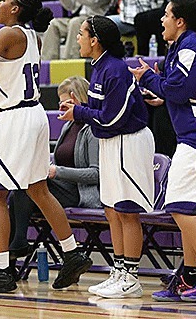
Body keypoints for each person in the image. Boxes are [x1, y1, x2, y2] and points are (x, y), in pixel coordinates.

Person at [0, 0, 92, 293]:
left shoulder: (6, 34)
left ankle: (2, 270)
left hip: (13, 118)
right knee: (39, 190)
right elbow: (1, 62)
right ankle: (71, 253)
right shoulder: (32, 37)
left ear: (15, 8)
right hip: (35, 116)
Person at [130, 0, 196, 302]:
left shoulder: (192, 47)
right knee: (185, 206)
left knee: (179, 205)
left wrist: (150, 78)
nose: (161, 20)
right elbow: (185, 90)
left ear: (180, 21)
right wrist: (163, 93)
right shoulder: (182, 47)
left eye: (166, 15)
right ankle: (191, 276)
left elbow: (179, 87)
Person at [58, 15, 155, 299]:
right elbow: (102, 113)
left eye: (81, 34)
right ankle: (120, 270)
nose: (78, 39)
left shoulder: (115, 70)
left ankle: (132, 277)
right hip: (112, 142)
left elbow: (112, 118)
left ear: (95, 40)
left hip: (129, 141)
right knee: (112, 210)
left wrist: (80, 113)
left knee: (127, 210)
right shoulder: (98, 68)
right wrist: (82, 108)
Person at [9, 76, 100, 261]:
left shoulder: (92, 129)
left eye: (65, 102)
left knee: (28, 188)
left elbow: (96, 174)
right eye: (60, 103)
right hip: (60, 186)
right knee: (22, 185)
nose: (61, 108)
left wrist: (57, 171)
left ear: (78, 99)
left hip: (80, 192)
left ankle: (16, 247)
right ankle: (14, 249)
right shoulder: (69, 125)